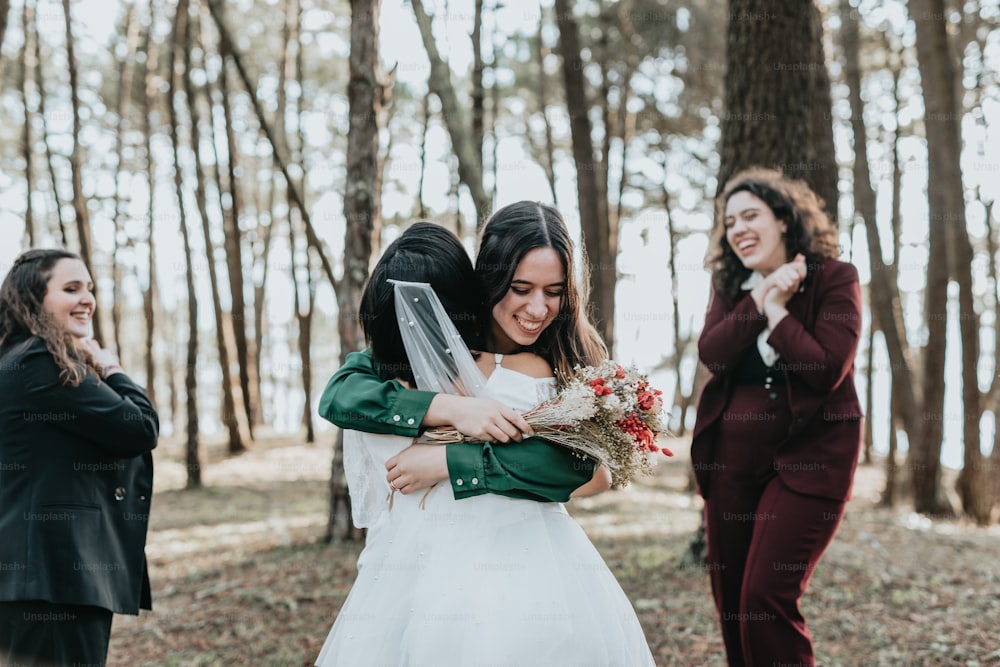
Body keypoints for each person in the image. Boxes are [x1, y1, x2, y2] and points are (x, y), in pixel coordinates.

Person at [315, 214, 654, 665]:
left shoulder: (553, 367)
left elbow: (588, 470)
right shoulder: (413, 356)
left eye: (554, 293)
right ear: (488, 282)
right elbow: (340, 394)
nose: (537, 309)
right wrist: (453, 409)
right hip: (415, 568)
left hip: (527, 565)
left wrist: (450, 462)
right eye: (521, 288)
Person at [691, 167, 862, 667]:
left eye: (751, 215)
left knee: (765, 598)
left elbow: (825, 368)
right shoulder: (731, 286)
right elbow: (715, 354)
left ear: (784, 219)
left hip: (809, 462)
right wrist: (760, 295)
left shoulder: (835, 278)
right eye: (730, 222)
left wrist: (781, 311)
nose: (739, 228)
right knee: (733, 606)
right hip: (730, 464)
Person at [0, 249, 158, 666]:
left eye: (89, 288)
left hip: (31, 579)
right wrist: (111, 366)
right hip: (55, 577)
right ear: (33, 299)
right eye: (71, 288)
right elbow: (139, 428)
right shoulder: (41, 362)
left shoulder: (13, 361)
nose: (87, 298)